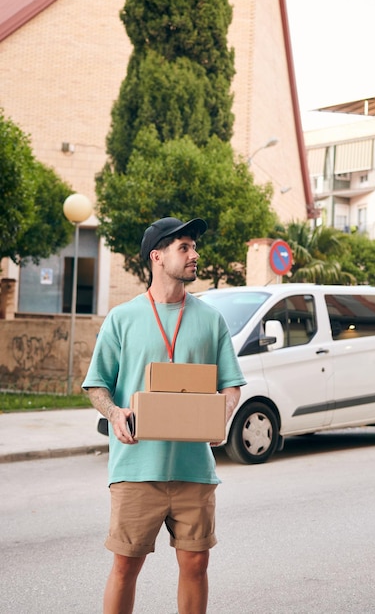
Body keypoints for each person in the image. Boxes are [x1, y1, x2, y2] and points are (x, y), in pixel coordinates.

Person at [82, 216, 246, 614]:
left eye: (193, 247)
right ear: (157, 257)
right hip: (137, 467)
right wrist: (115, 413)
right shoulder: (123, 318)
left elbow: (231, 384)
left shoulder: (210, 319)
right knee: (125, 565)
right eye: (185, 247)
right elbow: (96, 384)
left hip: (193, 468)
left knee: (196, 564)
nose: (195, 254)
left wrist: (221, 415)